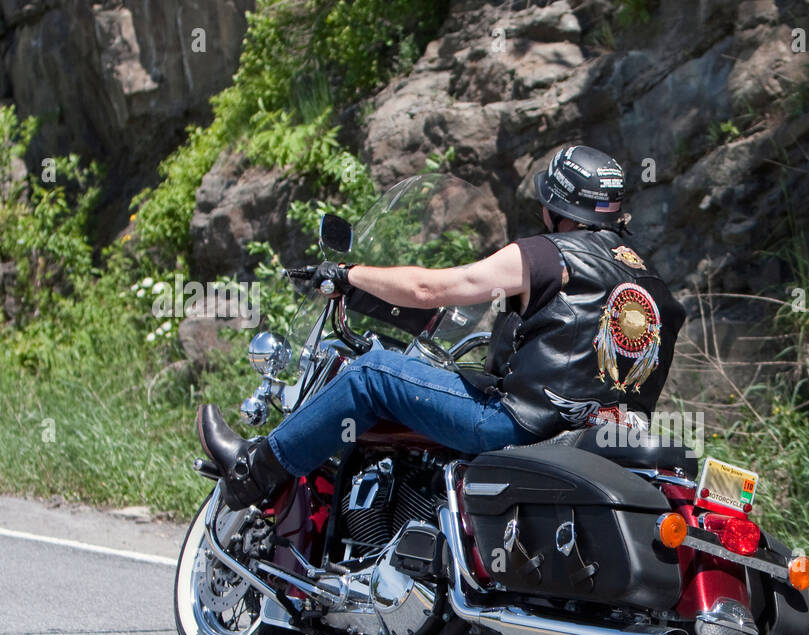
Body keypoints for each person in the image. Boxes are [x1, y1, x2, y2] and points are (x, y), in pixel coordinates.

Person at [197, 144, 686, 510]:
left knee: (372, 375)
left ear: (555, 209)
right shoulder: (655, 287)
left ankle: (252, 472)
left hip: (515, 424)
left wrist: (348, 276)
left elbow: (434, 290)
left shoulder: (546, 254)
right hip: (596, 439)